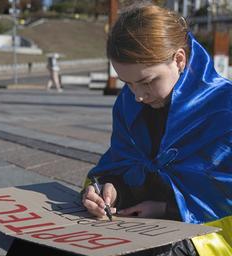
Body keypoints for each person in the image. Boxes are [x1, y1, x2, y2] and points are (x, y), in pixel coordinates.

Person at [82, 2, 232, 256]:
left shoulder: (224, 109)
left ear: (179, 60)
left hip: (212, 234)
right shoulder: (128, 104)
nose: (138, 95)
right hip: (143, 224)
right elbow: (122, 164)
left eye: (147, 81)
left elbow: (222, 198)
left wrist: (166, 208)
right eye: (127, 83)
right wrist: (109, 189)